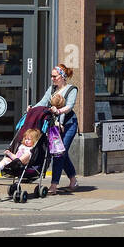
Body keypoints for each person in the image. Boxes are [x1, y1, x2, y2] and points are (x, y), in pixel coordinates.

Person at [34, 64, 79, 194]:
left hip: (69, 124)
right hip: (56, 125)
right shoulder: (52, 89)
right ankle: (73, 180)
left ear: (62, 77)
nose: (52, 78)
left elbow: (69, 107)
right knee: (61, 152)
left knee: (59, 153)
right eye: (51, 76)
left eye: (55, 76)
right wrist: (32, 110)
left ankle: (54, 185)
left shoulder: (71, 89)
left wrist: (58, 111)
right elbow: (43, 102)